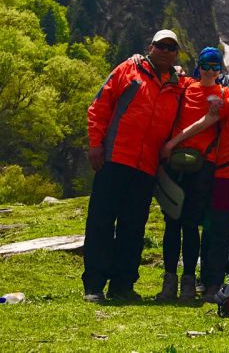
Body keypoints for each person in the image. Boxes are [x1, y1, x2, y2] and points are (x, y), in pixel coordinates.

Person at [83, 29, 184, 303]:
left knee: (133, 227)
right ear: (151, 46)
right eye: (161, 46)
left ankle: (122, 285)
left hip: (146, 167)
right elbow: (100, 106)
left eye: (171, 47)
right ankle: (94, 285)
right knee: (101, 222)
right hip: (114, 157)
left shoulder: (178, 85)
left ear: (176, 53)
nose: (165, 51)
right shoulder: (128, 69)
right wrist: (95, 144)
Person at [162, 65, 229, 301]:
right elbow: (203, 123)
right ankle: (213, 283)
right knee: (220, 230)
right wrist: (173, 143)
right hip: (225, 175)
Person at [155, 47, 227, 302]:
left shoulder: (223, 95)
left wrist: (171, 144)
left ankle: (187, 280)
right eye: (206, 65)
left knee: (190, 223)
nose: (210, 70)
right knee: (172, 222)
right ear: (198, 66)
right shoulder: (185, 86)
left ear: (221, 70)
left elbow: (207, 122)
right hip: (175, 164)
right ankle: (169, 280)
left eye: (215, 66)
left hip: (202, 164)